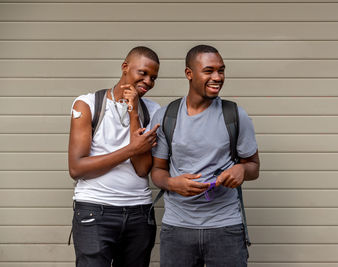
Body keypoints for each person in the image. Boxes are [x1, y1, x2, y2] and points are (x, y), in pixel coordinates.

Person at [150, 45, 260, 267]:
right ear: (189, 74)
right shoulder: (166, 116)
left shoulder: (235, 115)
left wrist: (241, 170)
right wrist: (172, 183)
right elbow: (157, 171)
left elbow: (254, 167)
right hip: (177, 228)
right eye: (209, 71)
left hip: (225, 227)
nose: (217, 77)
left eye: (221, 70)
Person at [68, 46, 161, 267]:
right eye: (143, 73)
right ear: (125, 67)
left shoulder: (153, 110)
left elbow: (141, 169)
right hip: (94, 210)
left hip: (139, 213)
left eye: (153, 77)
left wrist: (134, 112)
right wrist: (131, 150)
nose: (148, 81)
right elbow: (77, 168)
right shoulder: (88, 104)